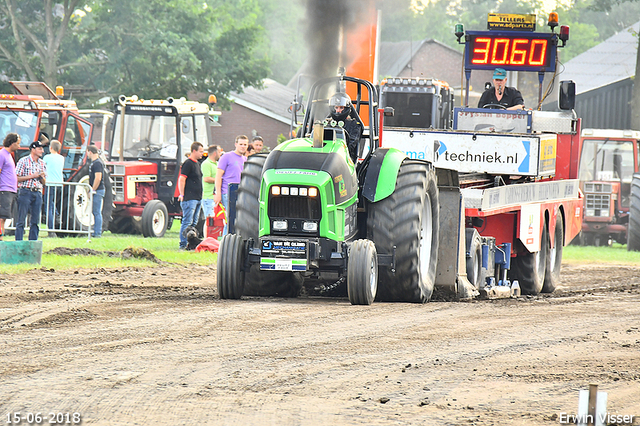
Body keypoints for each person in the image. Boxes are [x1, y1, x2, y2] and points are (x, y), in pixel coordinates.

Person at [214, 135, 248, 236]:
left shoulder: (245, 159)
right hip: (227, 192)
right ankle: (225, 243)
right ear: (236, 144)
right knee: (230, 219)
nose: (243, 146)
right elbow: (218, 176)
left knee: (238, 220)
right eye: (241, 144)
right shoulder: (227, 157)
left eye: (245, 144)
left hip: (240, 192)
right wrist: (218, 193)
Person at [15, 140, 47, 241]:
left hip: (37, 192)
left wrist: (41, 177)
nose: (42, 151)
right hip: (25, 191)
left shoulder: (42, 163)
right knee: (21, 219)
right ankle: (19, 242)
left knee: (35, 220)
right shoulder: (23, 161)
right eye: (39, 149)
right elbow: (16, 178)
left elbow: (44, 182)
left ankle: (33, 242)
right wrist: (32, 176)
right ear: (33, 149)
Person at [178, 141, 204, 249]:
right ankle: (183, 244)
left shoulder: (197, 164)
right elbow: (182, 179)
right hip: (189, 198)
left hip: (197, 197)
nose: (202, 154)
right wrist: (182, 194)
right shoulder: (188, 163)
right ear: (194, 151)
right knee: (187, 221)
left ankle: (191, 243)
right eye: (200, 151)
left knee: (194, 222)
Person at [327, 92, 362, 161]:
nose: (338, 111)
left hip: (345, 157)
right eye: (336, 107)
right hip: (327, 154)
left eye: (341, 108)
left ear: (346, 108)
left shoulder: (354, 125)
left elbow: (351, 146)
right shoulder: (328, 123)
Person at [0, 133, 20, 240]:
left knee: (4, 216)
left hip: (10, 190)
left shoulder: (9, 155)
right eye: (18, 144)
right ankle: (0, 237)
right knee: (2, 216)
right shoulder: (2, 154)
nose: (19, 146)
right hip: (4, 189)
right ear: (12, 143)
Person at [43, 139, 64, 237]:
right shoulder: (61, 158)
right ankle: (57, 215)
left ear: (50, 148)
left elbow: (42, 166)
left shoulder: (47, 157)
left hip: (50, 183)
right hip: (59, 183)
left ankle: (50, 229)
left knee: (48, 207)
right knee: (52, 203)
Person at [87, 145, 105, 238]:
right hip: (97, 190)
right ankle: (96, 231)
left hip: (98, 190)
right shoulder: (96, 162)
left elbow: (98, 178)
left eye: (87, 152)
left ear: (90, 152)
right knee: (95, 211)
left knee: (96, 211)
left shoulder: (97, 163)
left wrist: (92, 190)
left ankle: (97, 232)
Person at [201, 144, 221, 219]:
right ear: (215, 153)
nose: (220, 154)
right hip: (208, 198)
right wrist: (219, 180)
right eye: (219, 152)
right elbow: (206, 178)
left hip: (215, 197)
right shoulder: (206, 164)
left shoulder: (218, 164)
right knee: (210, 221)